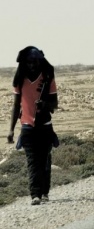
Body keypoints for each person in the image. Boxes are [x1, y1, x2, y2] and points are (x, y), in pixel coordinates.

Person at [7, 46, 58, 205]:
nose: (32, 65)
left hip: (45, 125)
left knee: (44, 160)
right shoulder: (20, 80)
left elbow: (54, 104)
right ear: (24, 63)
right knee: (32, 161)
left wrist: (45, 105)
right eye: (29, 62)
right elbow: (16, 106)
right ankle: (35, 194)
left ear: (39, 62)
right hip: (27, 126)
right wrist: (11, 129)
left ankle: (44, 192)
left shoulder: (48, 78)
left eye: (35, 62)